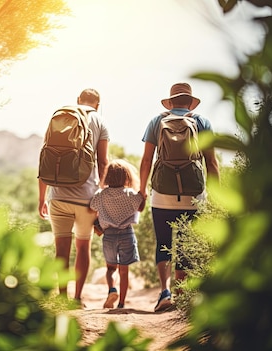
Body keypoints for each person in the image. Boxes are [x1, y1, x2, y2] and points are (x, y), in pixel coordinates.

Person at [139, 82, 220, 312]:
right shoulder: (202, 122)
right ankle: (182, 294)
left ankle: (165, 293)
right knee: (186, 245)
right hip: (193, 195)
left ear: (171, 102)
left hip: (162, 194)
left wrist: (142, 190)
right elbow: (211, 163)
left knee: (163, 244)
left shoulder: (157, 121)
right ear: (190, 102)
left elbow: (146, 160)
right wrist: (215, 197)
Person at [38, 88, 110, 307]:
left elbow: (45, 159)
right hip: (86, 199)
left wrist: (42, 198)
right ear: (98, 104)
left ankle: (61, 297)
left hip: (57, 196)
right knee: (83, 247)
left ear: (78, 100)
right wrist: (99, 190)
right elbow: (103, 161)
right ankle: (77, 299)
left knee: (61, 249)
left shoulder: (60, 116)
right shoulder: (100, 121)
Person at [90, 159, 144, 309]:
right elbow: (140, 204)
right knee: (124, 270)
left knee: (110, 268)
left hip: (109, 235)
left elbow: (92, 206)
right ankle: (121, 303)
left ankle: (112, 290)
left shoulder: (101, 195)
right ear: (126, 177)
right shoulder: (130, 194)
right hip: (127, 233)